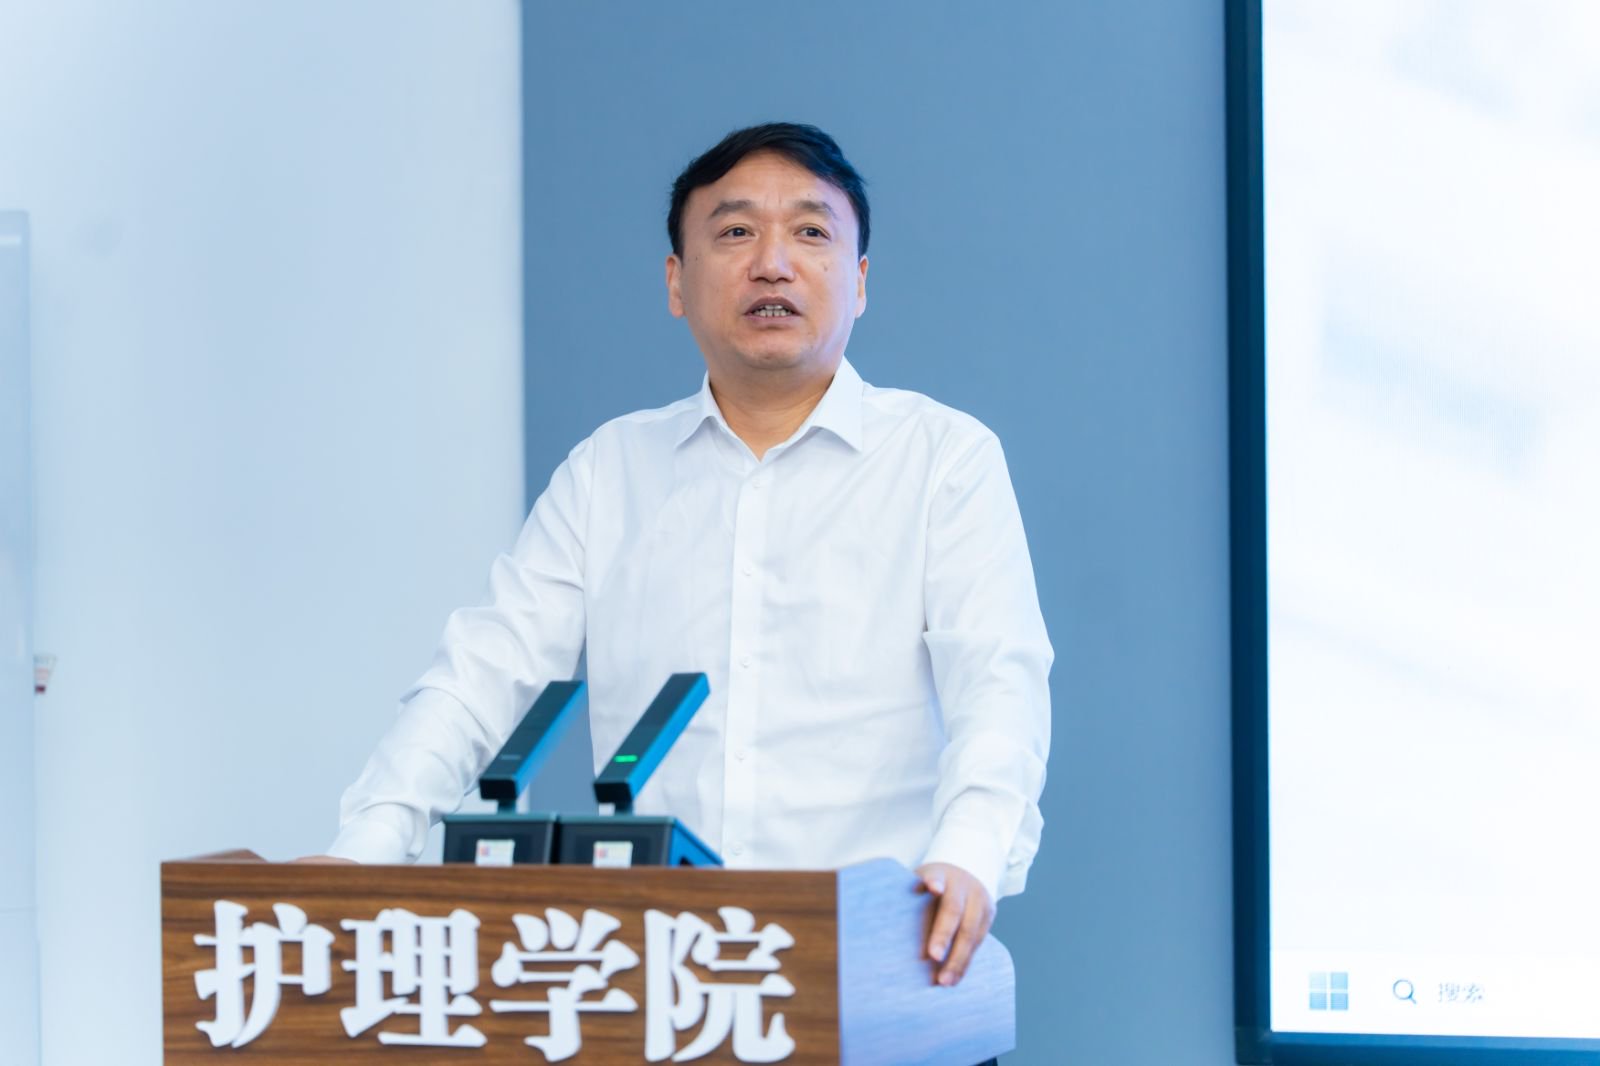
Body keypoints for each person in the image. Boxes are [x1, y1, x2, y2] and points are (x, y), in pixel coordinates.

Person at [318, 123, 1052, 991]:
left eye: (810, 231)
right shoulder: (610, 471)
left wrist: (968, 854)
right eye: (735, 231)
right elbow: (482, 675)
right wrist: (363, 853)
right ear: (676, 280)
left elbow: (997, 685)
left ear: (859, 281)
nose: (772, 263)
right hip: (662, 981)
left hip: (882, 962)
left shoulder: (944, 459)